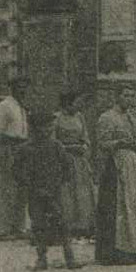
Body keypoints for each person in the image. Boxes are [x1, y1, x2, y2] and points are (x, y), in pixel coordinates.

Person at [94, 88, 136, 264]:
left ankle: (134, 249)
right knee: (117, 206)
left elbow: (134, 142)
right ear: (117, 97)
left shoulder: (131, 118)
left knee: (134, 204)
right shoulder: (107, 118)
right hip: (115, 164)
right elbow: (101, 143)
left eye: (131, 95)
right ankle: (115, 252)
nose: (129, 99)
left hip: (132, 164)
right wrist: (118, 143)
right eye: (125, 95)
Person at [20, 110, 80, 271]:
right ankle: (41, 258)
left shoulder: (56, 146)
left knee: (62, 223)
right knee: (38, 225)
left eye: (49, 127)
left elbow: (67, 166)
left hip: (55, 192)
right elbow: (18, 171)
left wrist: (61, 183)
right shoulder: (26, 149)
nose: (46, 131)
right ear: (33, 128)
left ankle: (70, 258)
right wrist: (31, 186)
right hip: (35, 194)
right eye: (42, 127)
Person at [0, 79, 31, 241]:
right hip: (10, 149)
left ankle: (18, 227)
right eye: (19, 87)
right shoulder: (4, 106)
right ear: (12, 88)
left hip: (23, 149)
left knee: (22, 190)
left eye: (24, 88)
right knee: (9, 189)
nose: (22, 91)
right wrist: (1, 155)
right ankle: (3, 229)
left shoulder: (21, 107)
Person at [52, 92, 97, 239]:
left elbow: (86, 138)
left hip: (79, 161)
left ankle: (83, 225)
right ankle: (67, 225)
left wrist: (84, 147)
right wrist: (69, 148)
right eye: (76, 103)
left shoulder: (79, 117)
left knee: (82, 191)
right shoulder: (57, 118)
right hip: (63, 160)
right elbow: (53, 142)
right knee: (66, 191)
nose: (79, 106)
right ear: (68, 103)